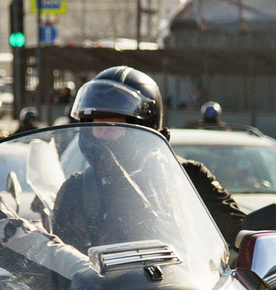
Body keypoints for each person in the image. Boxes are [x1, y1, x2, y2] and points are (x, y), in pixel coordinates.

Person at [69, 67, 244, 247]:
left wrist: (257, 236)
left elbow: (237, 229)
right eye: (96, 126)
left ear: (144, 128)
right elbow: (58, 262)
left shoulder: (189, 177)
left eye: (113, 126)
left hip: (183, 274)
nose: (102, 134)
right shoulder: (78, 189)